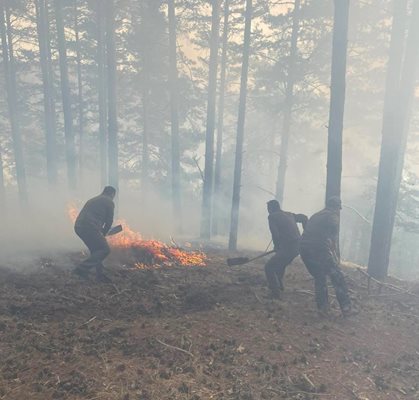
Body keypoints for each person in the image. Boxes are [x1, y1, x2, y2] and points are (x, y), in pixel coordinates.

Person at [300, 196, 352, 317]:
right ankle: (346, 308)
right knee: (337, 277)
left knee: (320, 277)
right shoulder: (332, 216)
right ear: (337, 207)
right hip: (318, 250)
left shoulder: (316, 215)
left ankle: (323, 309)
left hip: (304, 250)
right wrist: (335, 257)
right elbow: (332, 237)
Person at [265, 200, 308, 298]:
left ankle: (275, 293)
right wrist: (306, 234)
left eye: (268, 208)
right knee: (281, 264)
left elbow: (275, 234)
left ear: (271, 208)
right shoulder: (289, 214)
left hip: (289, 247)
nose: (268, 211)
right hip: (297, 247)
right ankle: (279, 286)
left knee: (269, 267)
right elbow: (304, 218)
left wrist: (277, 246)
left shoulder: (272, 217)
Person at [74, 186, 116, 282]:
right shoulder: (109, 201)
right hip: (89, 227)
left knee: (96, 250)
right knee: (105, 249)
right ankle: (81, 269)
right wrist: (104, 233)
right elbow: (109, 221)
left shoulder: (93, 200)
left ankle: (99, 275)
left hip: (79, 227)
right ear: (112, 194)